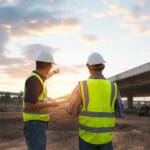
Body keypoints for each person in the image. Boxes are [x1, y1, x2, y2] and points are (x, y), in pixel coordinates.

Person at [67, 52, 125, 150]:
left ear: (88, 66)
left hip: (87, 138)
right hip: (106, 138)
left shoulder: (82, 86)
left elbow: (71, 111)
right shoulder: (113, 87)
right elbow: (121, 113)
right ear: (103, 67)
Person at [23, 51, 59, 150]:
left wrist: (53, 73)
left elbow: (45, 77)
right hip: (35, 125)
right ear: (48, 66)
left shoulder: (37, 78)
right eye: (50, 67)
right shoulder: (34, 80)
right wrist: (51, 104)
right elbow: (29, 105)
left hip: (36, 124)